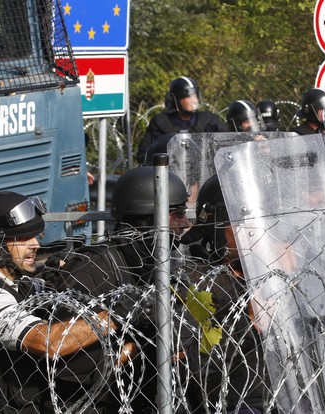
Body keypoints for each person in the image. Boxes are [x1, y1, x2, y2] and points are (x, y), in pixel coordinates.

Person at [0, 191, 118, 413]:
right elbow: (50, 343)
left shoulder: (3, 276)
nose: (36, 245)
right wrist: (118, 314)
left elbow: (41, 292)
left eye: (36, 236)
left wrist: (60, 278)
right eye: (23, 239)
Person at [48, 165, 192, 412]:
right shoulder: (92, 269)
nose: (186, 224)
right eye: (177, 214)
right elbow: (70, 367)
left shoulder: (159, 267)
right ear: (148, 217)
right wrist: (144, 346)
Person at [181, 175, 273, 414]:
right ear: (218, 224)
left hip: (284, 395)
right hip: (234, 403)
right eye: (242, 220)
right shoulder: (199, 278)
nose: (253, 229)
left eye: (258, 218)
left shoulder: (272, 268)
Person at [137, 77, 228, 163]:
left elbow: (228, 142)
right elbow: (144, 153)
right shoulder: (161, 122)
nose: (193, 100)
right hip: (171, 175)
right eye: (188, 96)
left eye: (195, 96)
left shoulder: (208, 120)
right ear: (176, 99)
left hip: (204, 174)